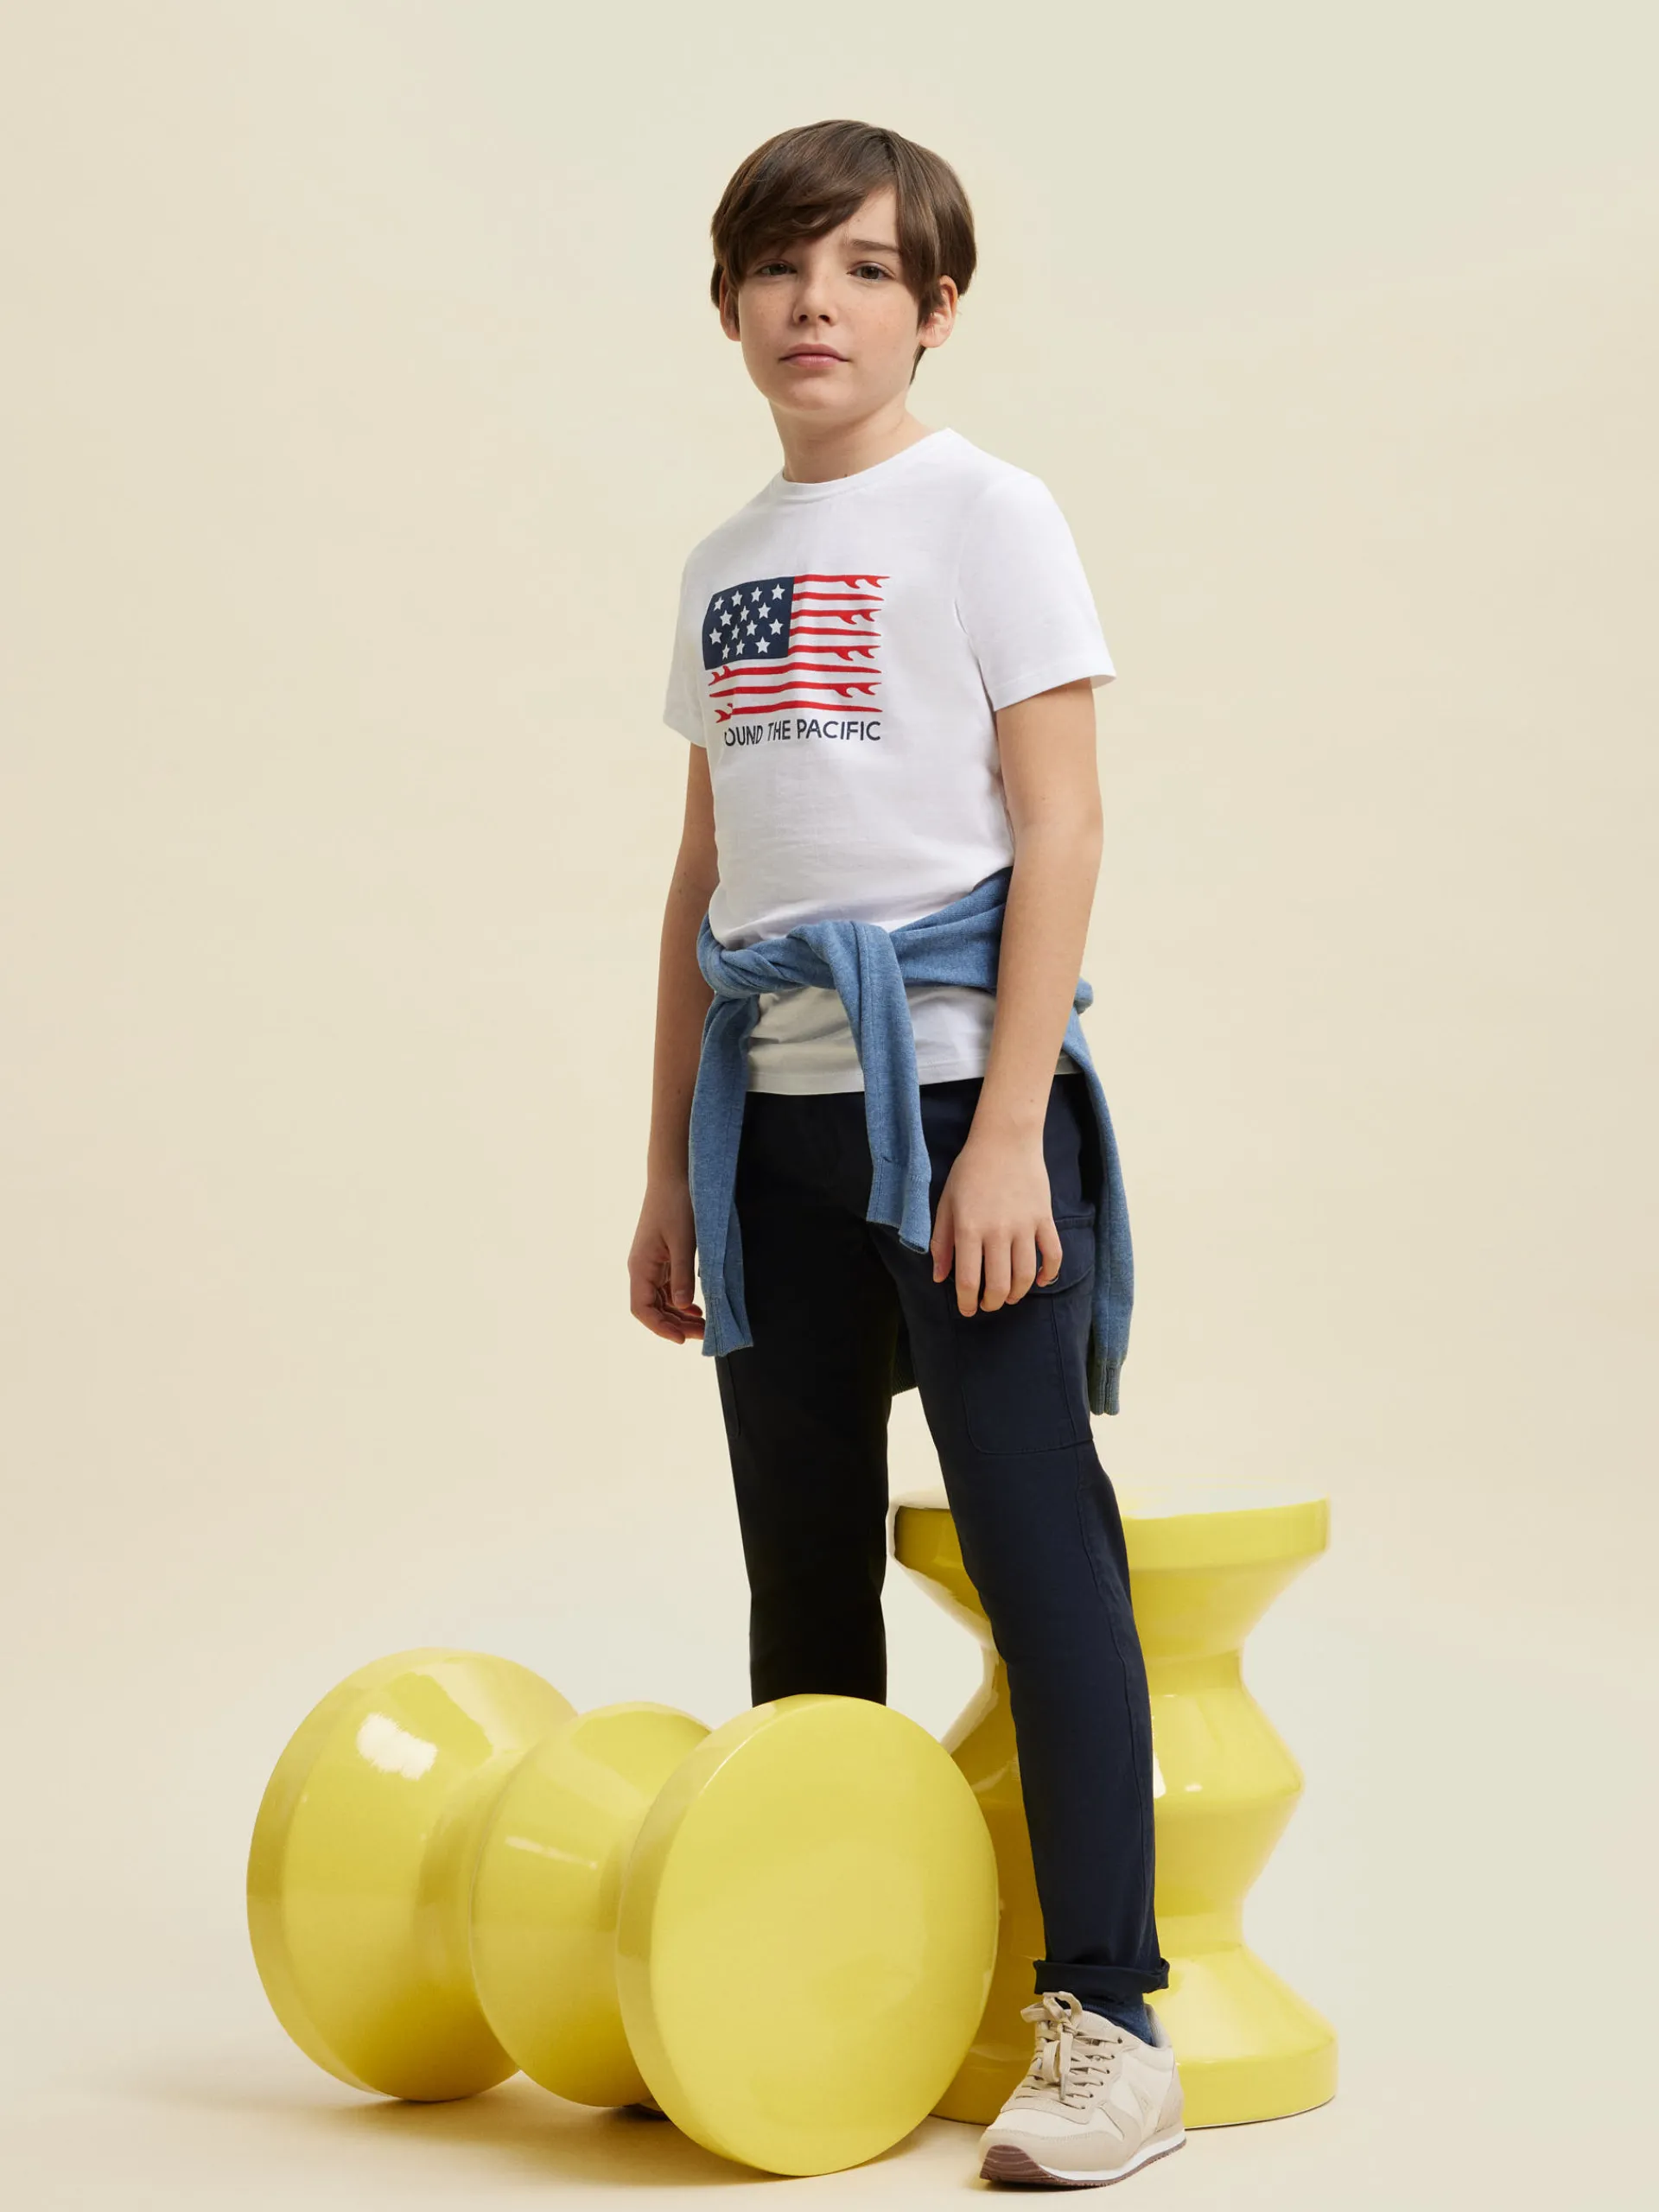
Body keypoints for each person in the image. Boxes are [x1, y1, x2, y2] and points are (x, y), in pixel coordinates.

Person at [628, 118, 1183, 2190]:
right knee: (801, 1571)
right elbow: (704, 877)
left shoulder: (988, 513)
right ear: (727, 305)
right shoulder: (721, 563)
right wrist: (669, 1171)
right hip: (768, 1127)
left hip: (956, 1111)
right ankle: (820, 1979)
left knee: (1045, 1557)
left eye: (866, 269)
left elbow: (1065, 820)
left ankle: (1111, 2018)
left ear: (935, 307)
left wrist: (1011, 1127)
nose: (818, 304)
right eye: (782, 267)